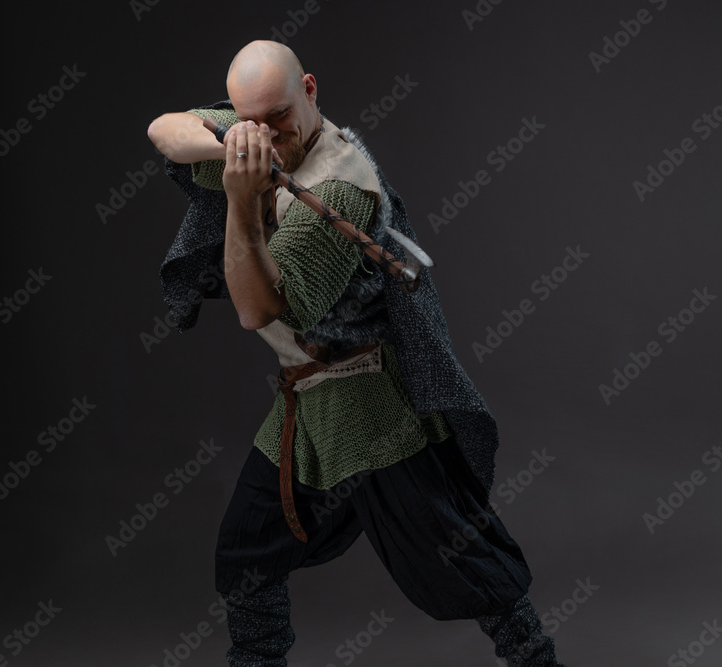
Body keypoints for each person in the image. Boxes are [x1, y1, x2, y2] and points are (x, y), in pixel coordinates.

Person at [147, 40, 567, 667]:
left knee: (461, 560)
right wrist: (232, 144)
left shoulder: (341, 188)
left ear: (309, 89)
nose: (269, 135)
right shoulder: (257, 130)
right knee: (245, 555)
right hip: (304, 400)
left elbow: (256, 308)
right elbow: (164, 130)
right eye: (251, 121)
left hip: (372, 407)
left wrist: (240, 198)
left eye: (279, 117)